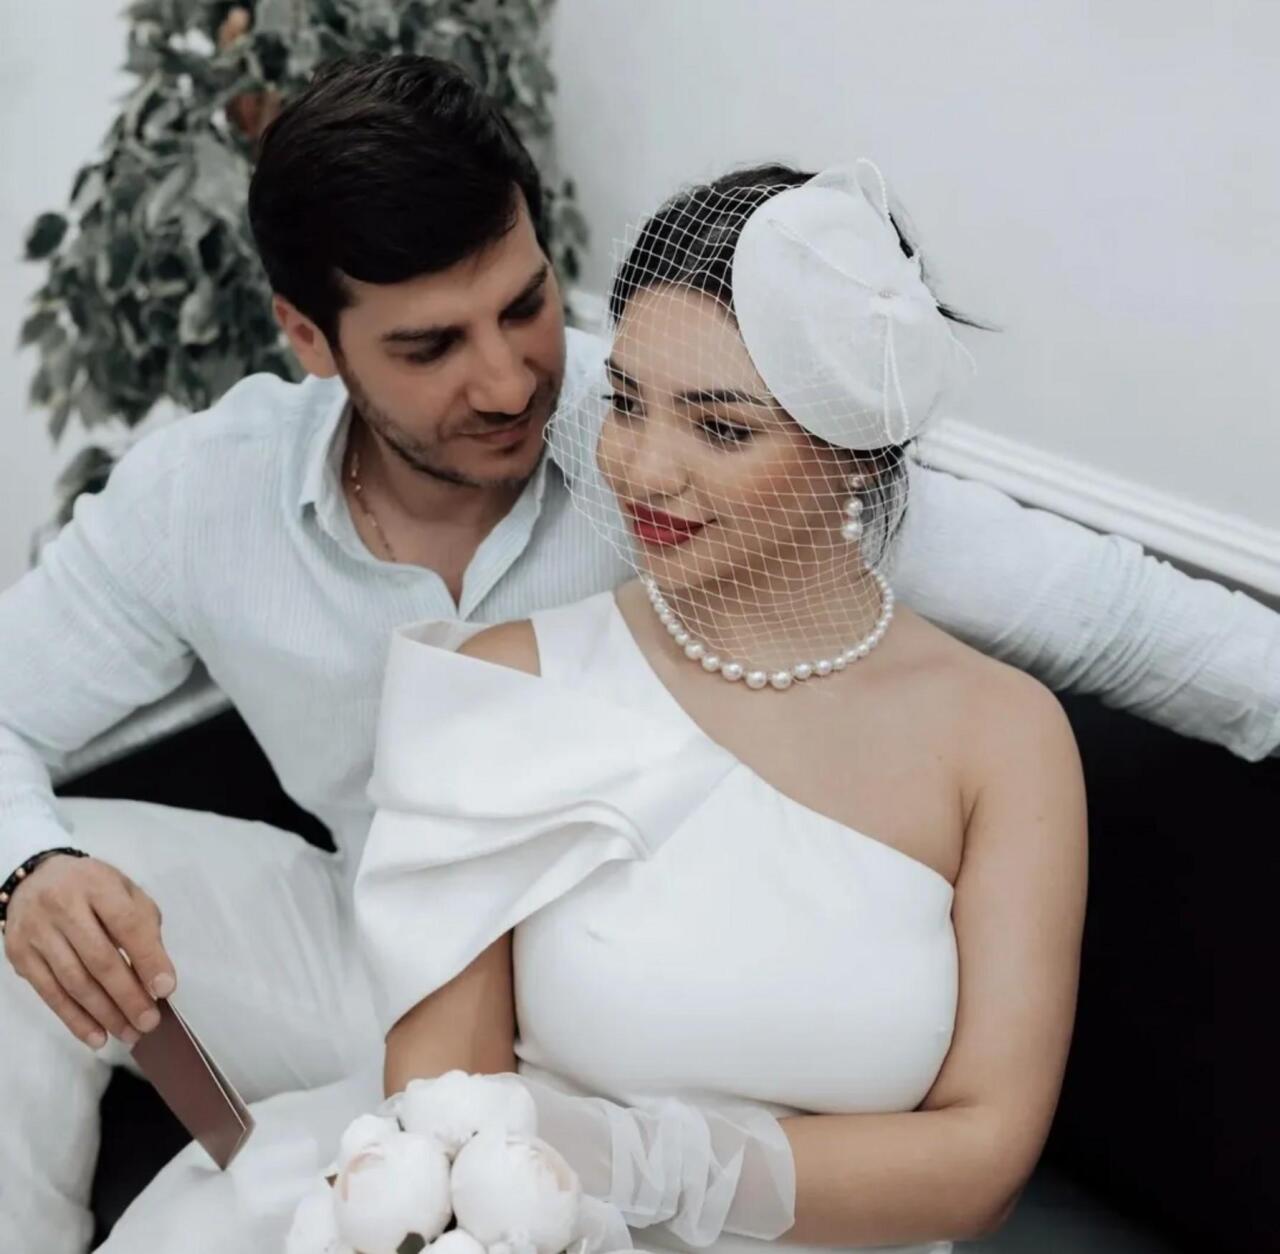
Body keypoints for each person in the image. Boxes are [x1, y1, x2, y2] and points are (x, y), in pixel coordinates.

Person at [0, 54, 1275, 1254]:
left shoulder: (707, 410)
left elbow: (1106, 613)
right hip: (364, 956)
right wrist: (32, 869)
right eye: (431, 346)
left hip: (594, 1015)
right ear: (309, 338)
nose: (510, 383)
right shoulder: (199, 501)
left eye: (524, 307)